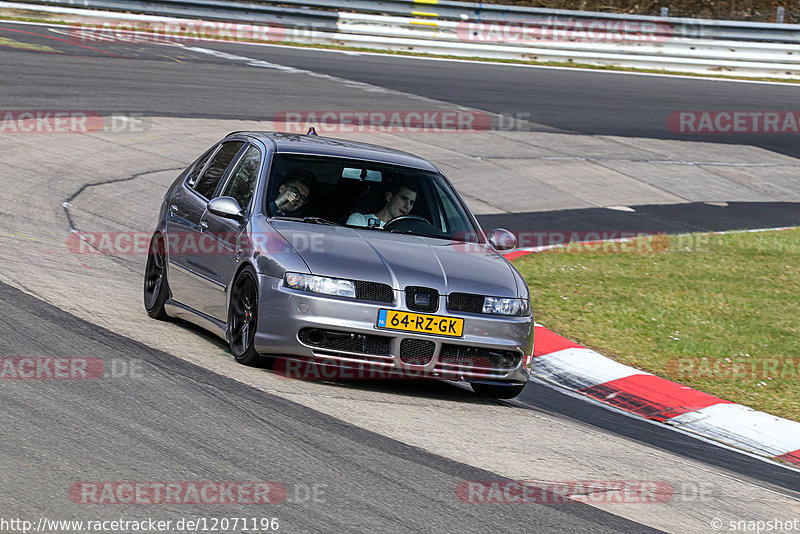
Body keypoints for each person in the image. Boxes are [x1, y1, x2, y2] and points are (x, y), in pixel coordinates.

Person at [347, 182, 417, 228]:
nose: (407, 206)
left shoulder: (406, 232)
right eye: (404, 198)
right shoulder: (359, 220)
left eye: (411, 203)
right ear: (389, 197)